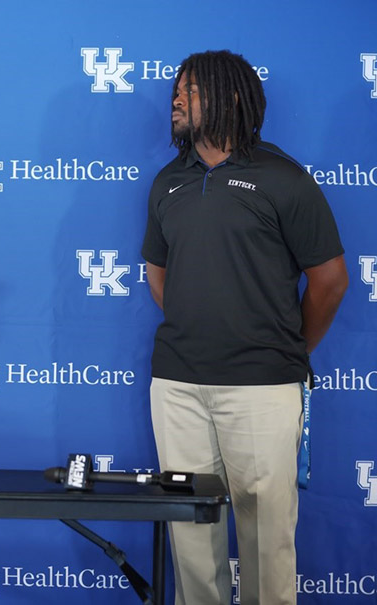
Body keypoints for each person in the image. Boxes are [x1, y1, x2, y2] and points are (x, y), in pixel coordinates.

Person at [141, 50, 348, 605]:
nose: (177, 99)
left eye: (191, 90)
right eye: (176, 90)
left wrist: (285, 348)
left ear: (230, 96)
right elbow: (159, 274)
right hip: (177, 386)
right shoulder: (168, 181)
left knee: (266, 539)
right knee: (189, 532)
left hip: (263, 385)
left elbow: (330, 280)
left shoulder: (283, 178)